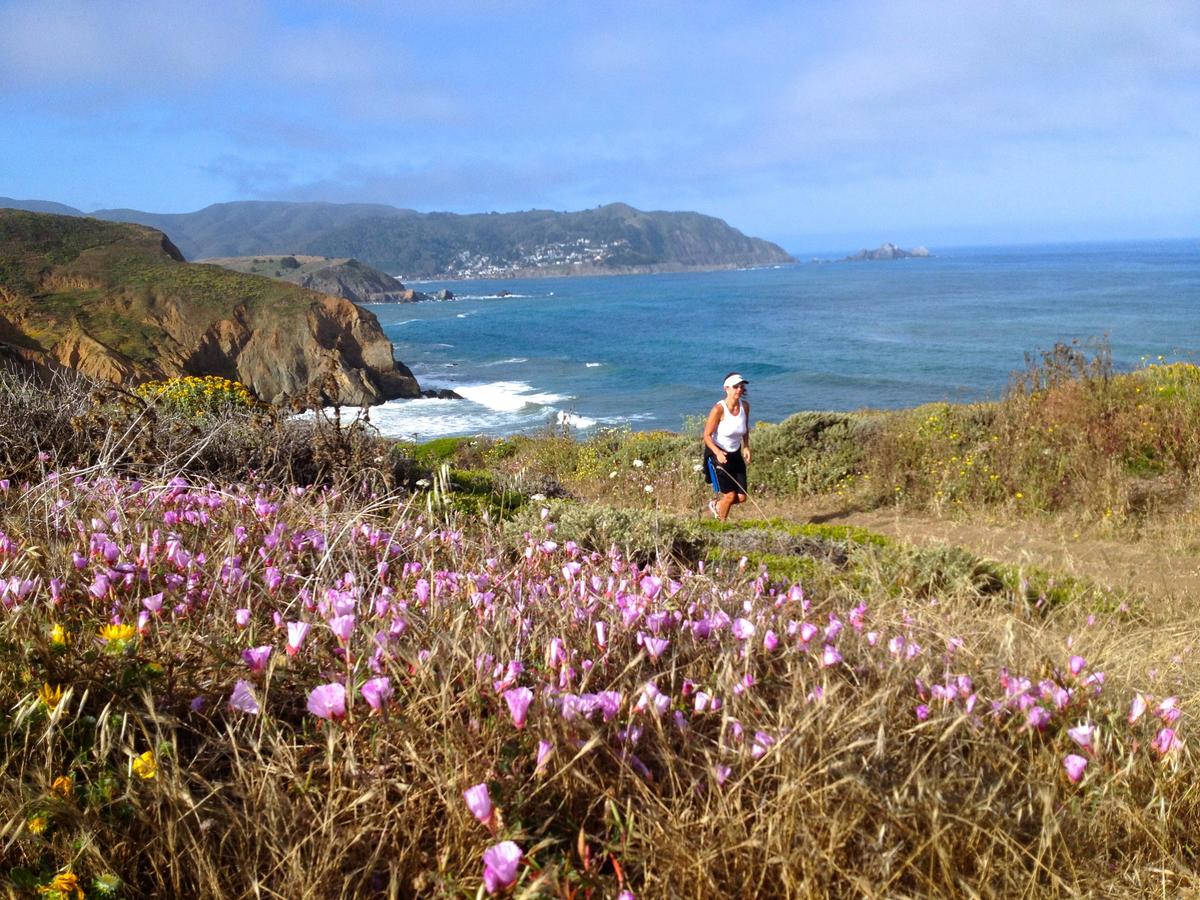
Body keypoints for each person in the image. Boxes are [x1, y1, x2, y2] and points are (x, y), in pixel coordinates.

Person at [703, 373, 751, 521]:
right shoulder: (718, 409)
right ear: (726, 389)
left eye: (741, 386)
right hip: (718, 454)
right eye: (735, 387)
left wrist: (746, 446)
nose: (739, 389)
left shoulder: (745, 406)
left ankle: (716, 505)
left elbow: (745, 429)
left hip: (735, 453)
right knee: (730, 496)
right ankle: (722, 525)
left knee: (741, 497)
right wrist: (717, 452)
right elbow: (706, 435)